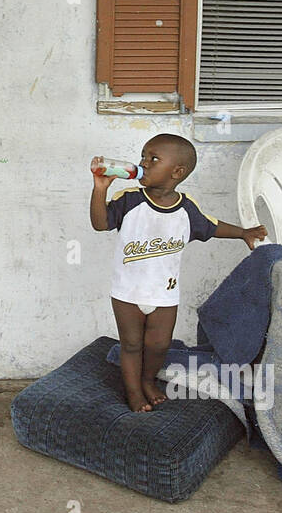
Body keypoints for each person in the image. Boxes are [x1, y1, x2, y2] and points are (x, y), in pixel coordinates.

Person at [89, 134, 265, 412]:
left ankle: (148, 380)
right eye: (143, 156)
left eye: (153, 159)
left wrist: (244, 233)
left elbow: (212, 226)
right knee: (132, 344)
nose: (143, 163)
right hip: (127, 292)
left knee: (159, 345)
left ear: (177, 172)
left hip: (165, 293)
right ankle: (134, 391)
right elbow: (100, 224)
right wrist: (100, 189)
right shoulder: (130, 199)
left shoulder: (186, 209)